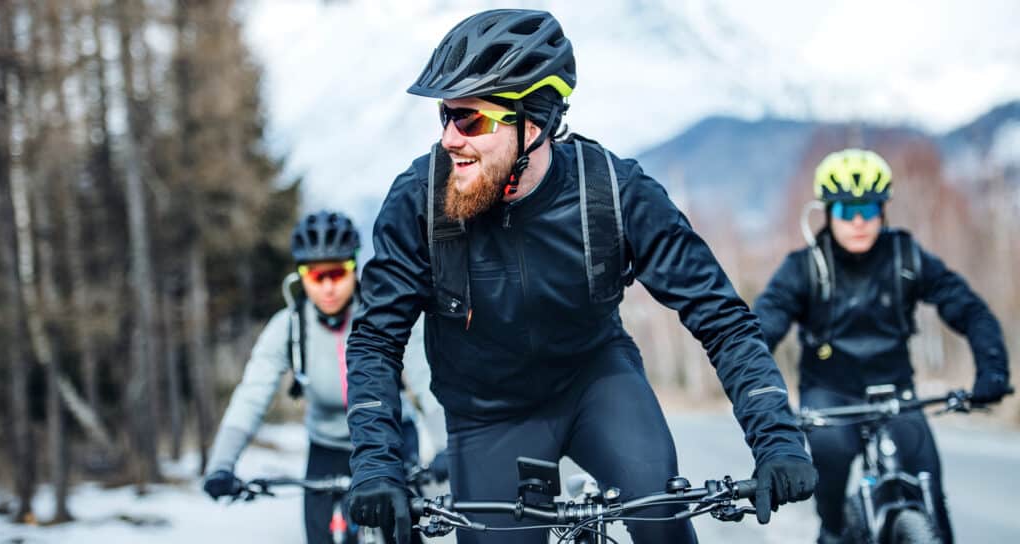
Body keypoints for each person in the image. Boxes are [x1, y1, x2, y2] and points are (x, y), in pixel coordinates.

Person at [342, 9, 816, 544]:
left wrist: (777, 440)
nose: (450, 137)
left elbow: (722, 319)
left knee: (663, 529)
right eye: (445, 115)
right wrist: (377, 466)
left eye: (471, 120)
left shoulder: (613, 193)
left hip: (598, 386)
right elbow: (375, 341)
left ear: (535, 124)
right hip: (487, 416)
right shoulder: (421, 202)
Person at [754, 148, 1012, 544]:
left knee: (932, 506)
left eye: (869, 208)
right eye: (846, 210)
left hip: (898, 394)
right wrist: (765, 399)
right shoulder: (803, 268)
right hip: (830, 399)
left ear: (883, 210)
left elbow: (969, 309)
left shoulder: (906, 256)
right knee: (833, 505)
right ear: (827, 212)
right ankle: (834, 531)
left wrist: (992, 369)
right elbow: (761, 330)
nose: (858, 221)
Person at [201, 210, 443, 544]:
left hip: (391, 441)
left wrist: (446, 448)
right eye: (316, 277)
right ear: (302, 276)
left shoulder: (386, 316)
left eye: (337, 273)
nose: (328, 287)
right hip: (326, 448)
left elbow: (427, 381)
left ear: (355, 268)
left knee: (403, 534)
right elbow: (251, 395)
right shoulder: (288, 327)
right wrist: (221, 464)